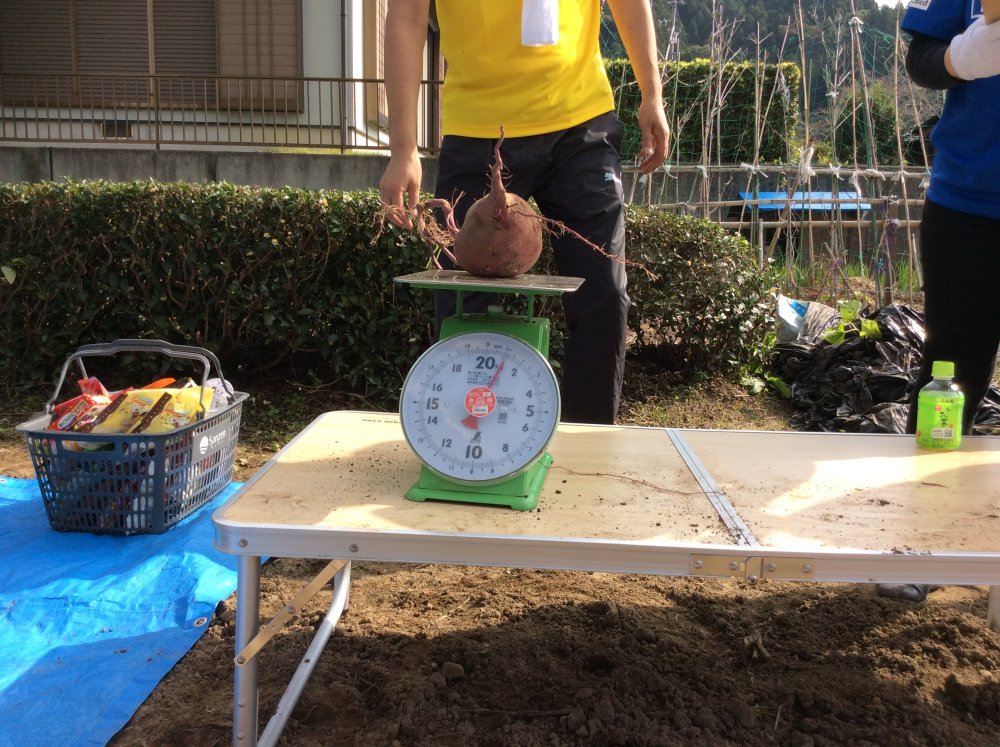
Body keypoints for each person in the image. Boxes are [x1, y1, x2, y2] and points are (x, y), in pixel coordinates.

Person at [379, 0, 670, 425]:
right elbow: (406, 17)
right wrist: (403, 148)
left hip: (581, 122)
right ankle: (469, 438)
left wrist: (652, 93)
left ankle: (590, 440)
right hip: (477, 130)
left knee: (604, 293)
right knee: (463, 298)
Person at [877, 0, 1000, 602]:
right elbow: (921, 60)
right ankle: (921, 539)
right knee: (952, 374)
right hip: (969, 203)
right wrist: (964, 56)